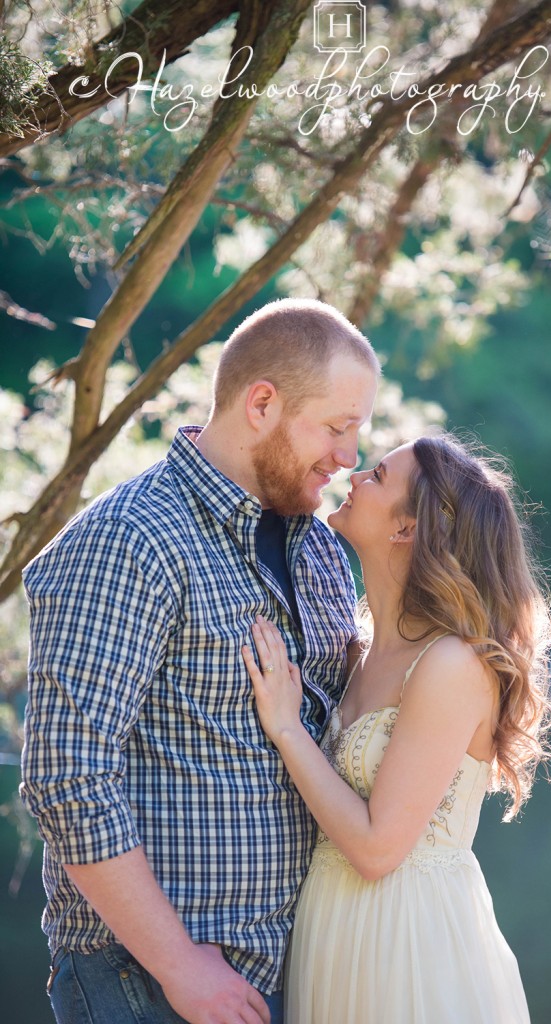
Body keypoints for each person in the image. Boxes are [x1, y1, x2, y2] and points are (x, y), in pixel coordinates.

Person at [20, 297, 380, 1024]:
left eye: (358, 433)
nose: (350, 457)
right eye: (338, 428)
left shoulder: (317, 547)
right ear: (262, 403)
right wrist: (179, 965)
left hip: (295, 973)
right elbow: (66, 776)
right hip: (151, 986)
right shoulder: (131, 538)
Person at [242, 433, 551, 1024]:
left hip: (410, 946)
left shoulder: (449, 663)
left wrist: (287, 729)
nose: (356, 475)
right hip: (332, 933)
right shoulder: (357, 649)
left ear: (406, 529)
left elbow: (376, 847)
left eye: (379, 477)